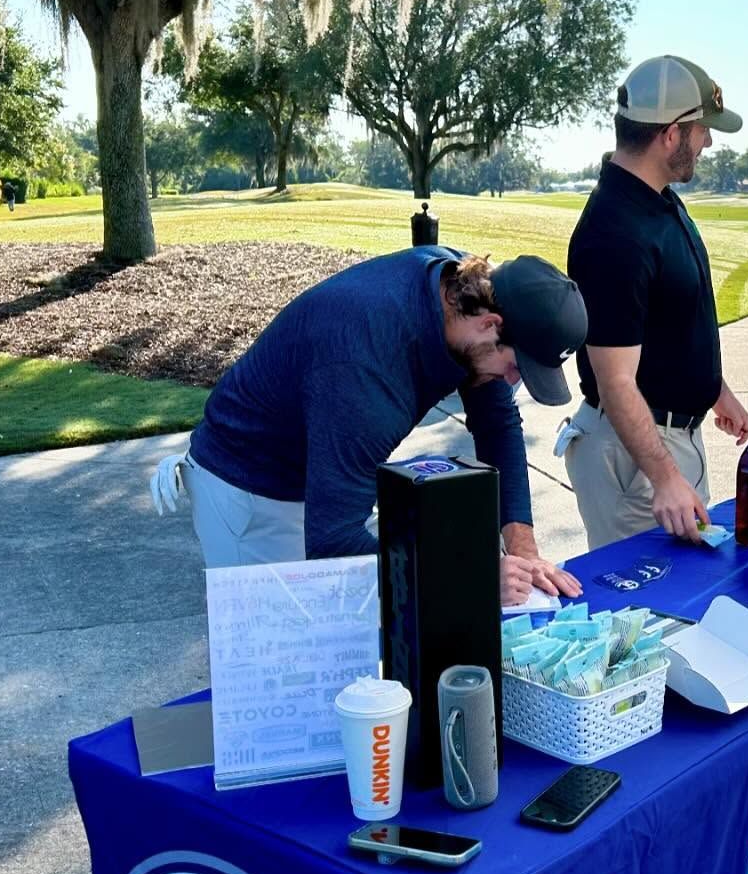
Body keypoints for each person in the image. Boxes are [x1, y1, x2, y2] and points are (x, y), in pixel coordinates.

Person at [150, 246, 587, 607]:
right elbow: (332, 543)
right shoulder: (364, 366)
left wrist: (525, 553)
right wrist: (471, 577)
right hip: (246, 488)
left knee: (354, 640)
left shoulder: (466, 295)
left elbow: (498, 426)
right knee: (279, 667)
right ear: (490, 325)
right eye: (515, 368)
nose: (512, 383)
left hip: (322, 468)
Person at [563, 54, 748, 551]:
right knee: (651, 619)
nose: (708, 141)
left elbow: (670, 318)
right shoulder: (615, 232)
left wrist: (714, 388)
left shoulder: (657, 200)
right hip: (639, 460)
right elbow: (615, 378)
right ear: (671, 134)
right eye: (702, 130)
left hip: (666, 444)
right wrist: (665, 478)